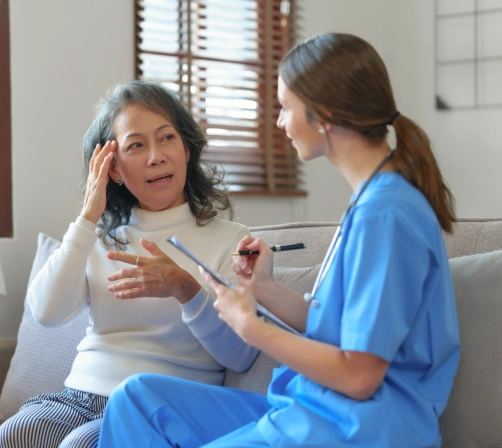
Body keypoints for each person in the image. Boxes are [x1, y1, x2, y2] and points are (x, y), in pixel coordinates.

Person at [97, 33, 461, 448]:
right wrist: (264, 290)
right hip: (312, 410)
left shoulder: (387, 215)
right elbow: (346, 329)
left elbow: (360, 376)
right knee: (136, 398)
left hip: (358, 428)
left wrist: (251, 328)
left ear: (322, 114)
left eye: (285, 107)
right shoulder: (370, 203)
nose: (280, 122)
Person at [0, 80, 259, 448]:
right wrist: (89, 216)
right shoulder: (98, 238)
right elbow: (45, 312)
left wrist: (186, 289)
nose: (156, 156)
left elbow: (241, 354)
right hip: (80, 396)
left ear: (186, 149)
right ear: (114, 169)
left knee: (82, 445)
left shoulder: (232, 239)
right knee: (18, 433)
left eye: (167, 137)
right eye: (136, 145)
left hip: (161, 409)